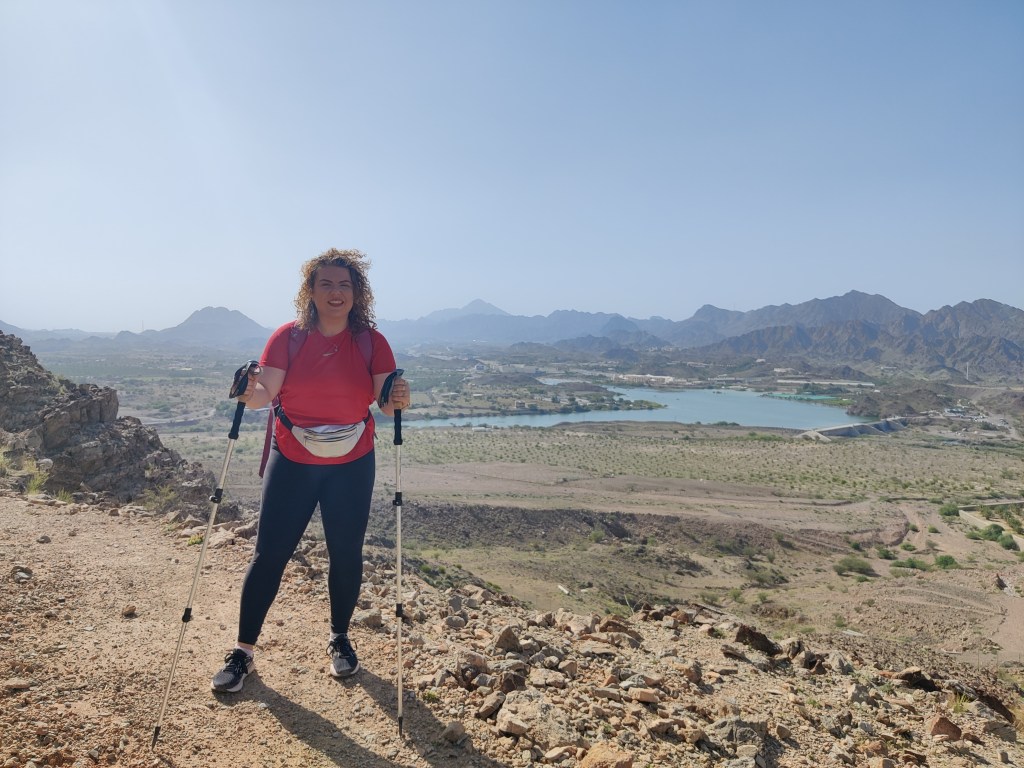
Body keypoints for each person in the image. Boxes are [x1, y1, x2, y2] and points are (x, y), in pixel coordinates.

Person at [211, 248, 410, 693]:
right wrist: (246, 392)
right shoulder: (288, 338)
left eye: (344, 285)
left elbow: (386, 401)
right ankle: (243, 652)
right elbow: (264, 394)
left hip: (351, 464)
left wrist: (400, 396)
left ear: (357, 293)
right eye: (326, 284)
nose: (336, 293)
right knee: (269, 555)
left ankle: (340, 638)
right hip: (293, 460)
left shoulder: (371, 342)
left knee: (346, 553)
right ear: (311, 291)